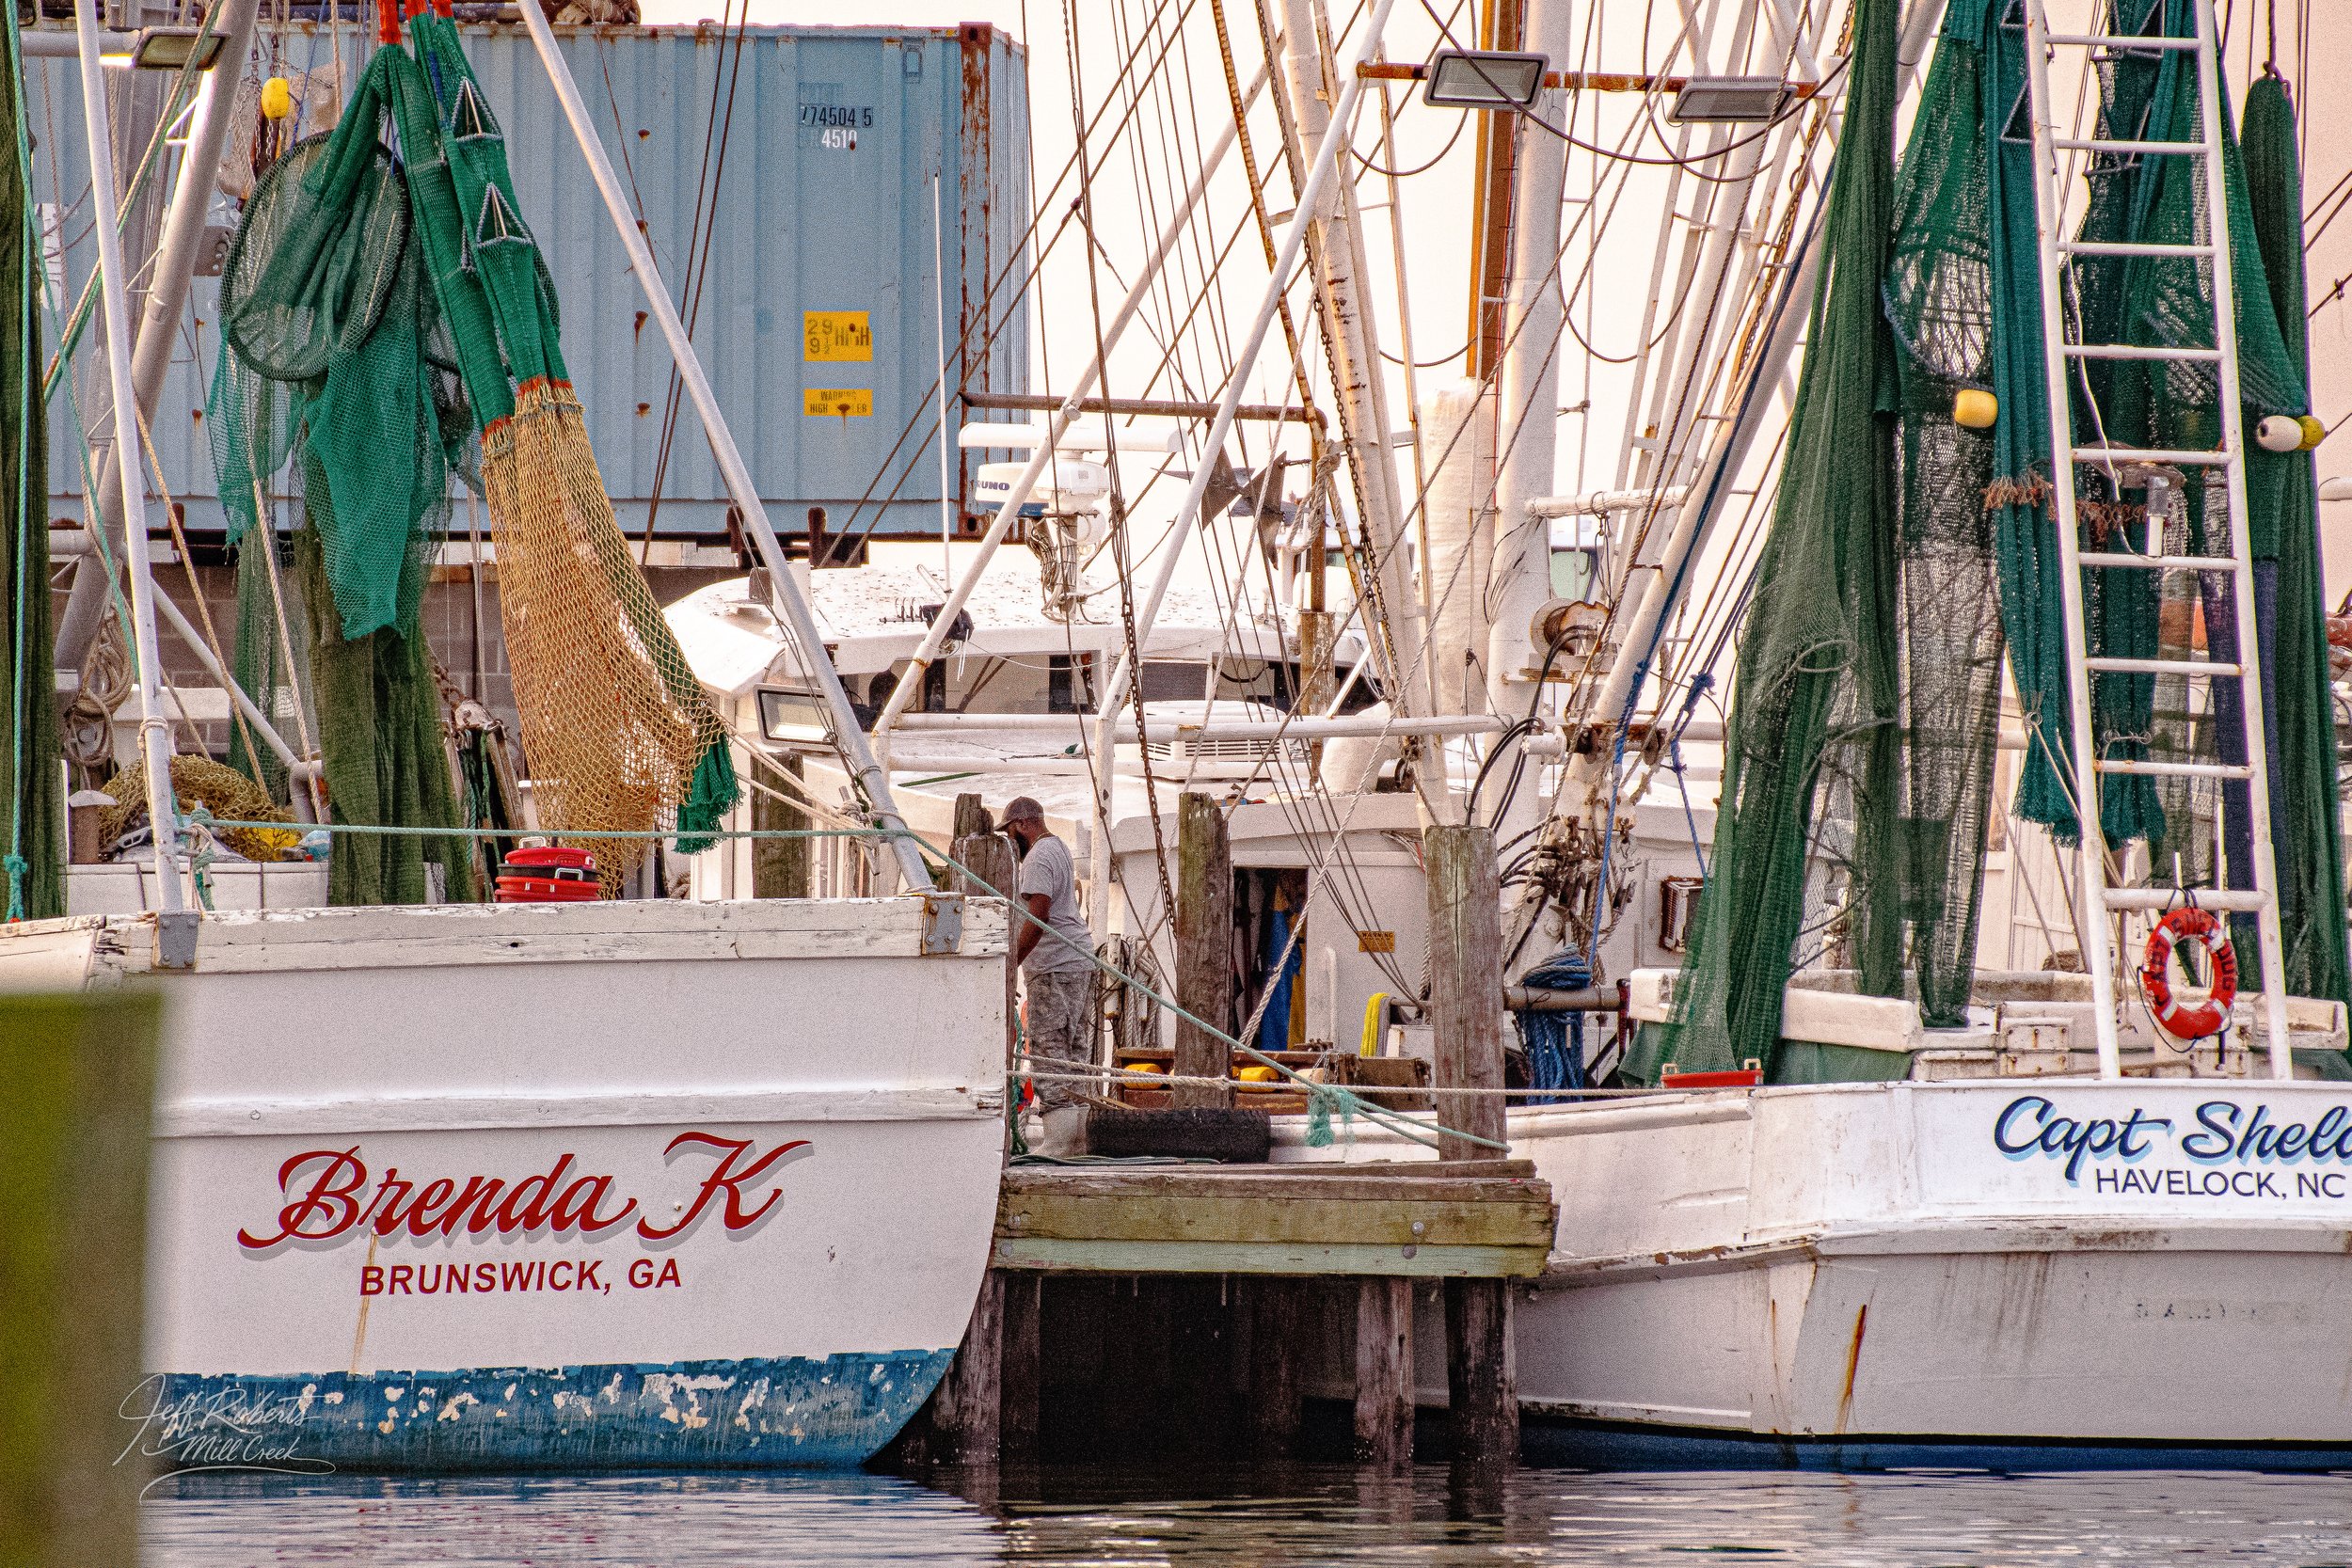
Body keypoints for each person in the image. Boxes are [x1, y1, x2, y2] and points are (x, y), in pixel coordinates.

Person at [1000, 797, 1094, 1155]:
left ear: (1023, 824)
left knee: (1047, 1046)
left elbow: (1038, 917)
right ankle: (1080, 1137)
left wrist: (1012, 964)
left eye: (1010, 833)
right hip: (1077, 960)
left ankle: (1060, 1140)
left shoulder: (1037, 857)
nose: (1011, 843)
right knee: (1075, 1046)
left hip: (1055, 964)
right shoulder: (1059, 848)